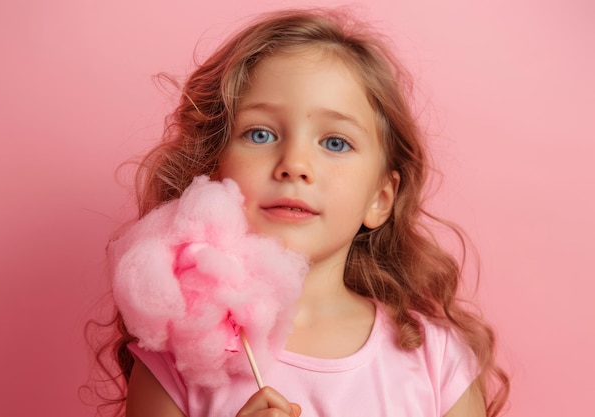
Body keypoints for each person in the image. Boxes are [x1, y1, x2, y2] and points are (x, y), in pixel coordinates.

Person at [92, 7, 509, 417]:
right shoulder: (176, 364)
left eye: (335, 143)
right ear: (213, 173)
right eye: (260, 133)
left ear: (380, 199)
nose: (294, 163)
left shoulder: (436, 360)